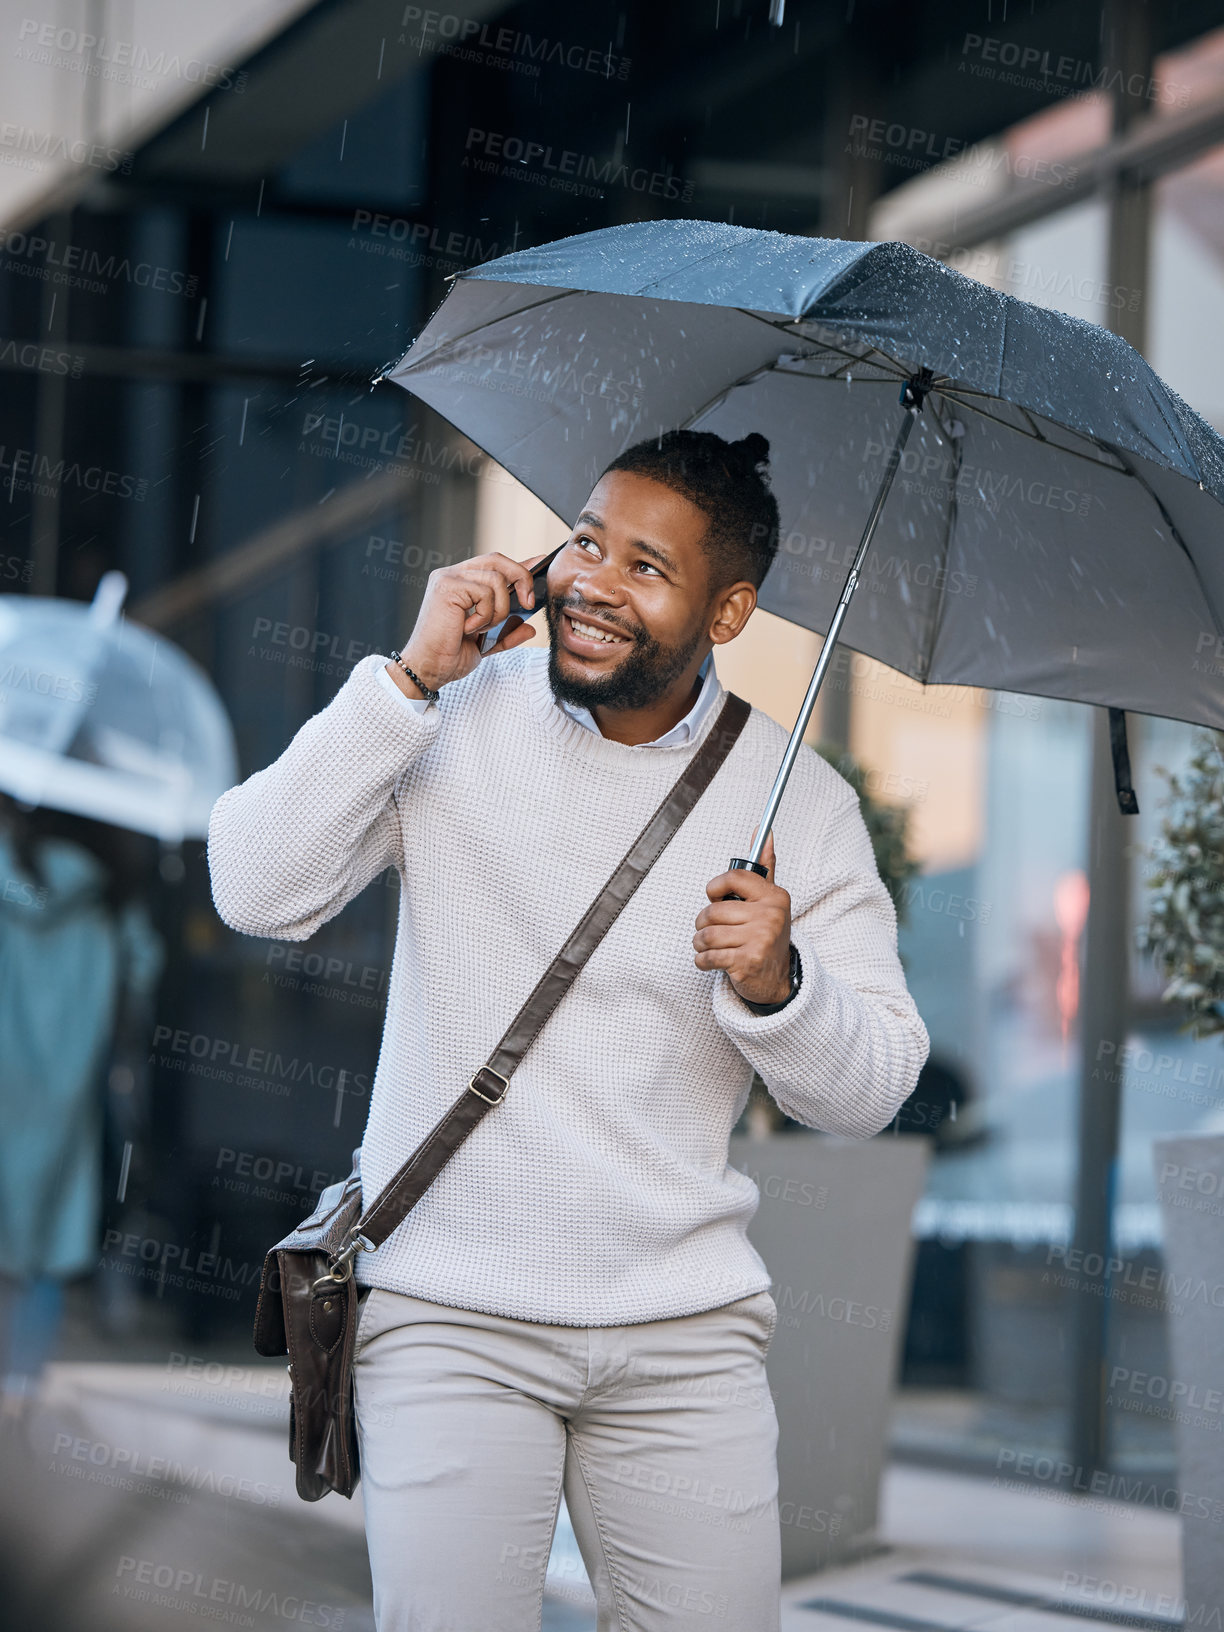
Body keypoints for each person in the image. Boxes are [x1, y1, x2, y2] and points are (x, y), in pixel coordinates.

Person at [207, 430, 929, 1631]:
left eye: (647, 566)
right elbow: (254, 886)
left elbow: (871, 1089)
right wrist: (406, 681)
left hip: (684, 1337)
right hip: (450, 1315)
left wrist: (780, 985)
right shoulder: (452, 717)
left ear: (728, 609)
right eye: (588, 541)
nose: (593, 581)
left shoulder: (798, 800)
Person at [0, 796, 163, 1423]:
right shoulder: (112, 889)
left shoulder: (8, 871)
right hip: (68, 1093)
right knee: (48, 1238)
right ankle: (20, 1392)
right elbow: (144, 969)